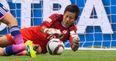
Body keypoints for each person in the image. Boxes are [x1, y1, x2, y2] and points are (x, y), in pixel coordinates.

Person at [0, 4, 80, 55]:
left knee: (32, 51)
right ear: (64, 14)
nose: (68, 19)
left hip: (40, 47)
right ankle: (18, 48)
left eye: (71, 18)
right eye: (66, 16)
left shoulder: (72, 30)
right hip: (29, 34)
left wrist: (75, 45)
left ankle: (18, 51)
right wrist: (50, 31)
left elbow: (73, 46)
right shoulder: (56, 17)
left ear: (75, 19)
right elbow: (42, 27)